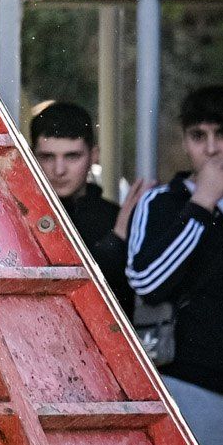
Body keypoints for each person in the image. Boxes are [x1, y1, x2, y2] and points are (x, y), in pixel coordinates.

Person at [126, 84, 223, 445]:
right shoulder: (163, 203)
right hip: (194, 391)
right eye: (198, 136)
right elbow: (146, 279)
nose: (212, 149)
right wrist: (201, 206)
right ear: (185, 142)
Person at [29, 99, 145, 309]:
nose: (59, 169)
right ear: (32, 157)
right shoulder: (18, 218)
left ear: (94, 156)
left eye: (72, 156)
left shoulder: (116, 218)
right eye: (47, 157)